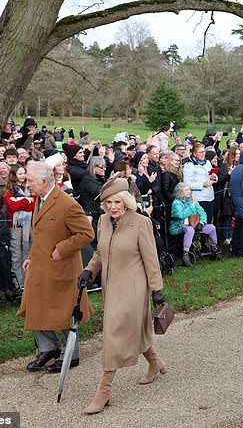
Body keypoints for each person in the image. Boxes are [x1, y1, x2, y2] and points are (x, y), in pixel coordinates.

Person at [80, 177, 166, 415]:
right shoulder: (104, 222)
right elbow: (99, 252)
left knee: (114, 334)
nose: (112, 207)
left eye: (117, 201)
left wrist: (157, 289)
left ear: (127, 201)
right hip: (110, 287)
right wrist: (89, 270)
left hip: (133, 288)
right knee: (133, 329)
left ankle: (104, 390)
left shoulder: (140, 223)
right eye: (108, 202)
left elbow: (151, 259)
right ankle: (154, 362)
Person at [17, 162, 94, 372]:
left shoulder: (67, 204)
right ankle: (48, 349)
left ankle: (72, 355)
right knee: (34, 307)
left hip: (62, 269)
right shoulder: (40, 200)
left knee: (63, 312)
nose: (27, 184)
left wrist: (62, 249)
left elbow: (87, 234)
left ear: (44, 181)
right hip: (40, 267)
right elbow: (42, 233)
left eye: (30, 181)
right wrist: (32, 256)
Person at [170, 182, 220, 266]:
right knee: (189, 230)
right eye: (186, 190)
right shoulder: (176, 203)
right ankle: (185, 255)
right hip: (179, 226)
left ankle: (214, 249)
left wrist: (202, 222)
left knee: (211, 227)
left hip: (194, 225)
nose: (189, 191)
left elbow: (202, 212)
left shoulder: (193, 201)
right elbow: (181, 215)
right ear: (180, 192)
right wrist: (192, 205)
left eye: (189, 189)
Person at [4, 164, 35, 289]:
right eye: (20, 173)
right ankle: (18, 283)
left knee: (27, 251)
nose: (23, 176)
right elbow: (12, 206)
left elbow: (34, 203)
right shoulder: (9, 190)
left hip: (29, 225)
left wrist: (22, 201)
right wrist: (27, 200)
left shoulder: (30, 188)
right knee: (16, 253)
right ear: (14, 175)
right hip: (15, 226)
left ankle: (29, 280)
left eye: (24, 173)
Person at [183, 143, 217, 224]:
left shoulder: (207, 162)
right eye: (200, 152)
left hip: (209, 197)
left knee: (208, 222)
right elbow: (187, 183)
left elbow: (211, 176)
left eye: (204, 152)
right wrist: (203, 184)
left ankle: (205, 236)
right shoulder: (189, 165)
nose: (203, 154)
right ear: (194, 153)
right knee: (198, 223)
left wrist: (214, 177)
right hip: (198, 198)